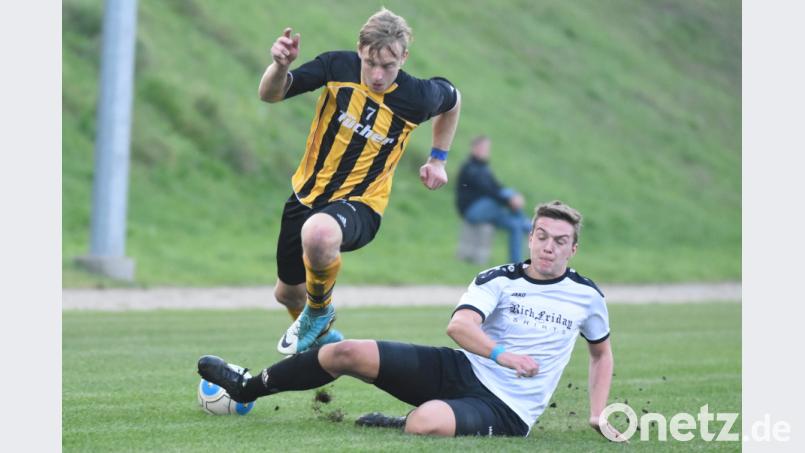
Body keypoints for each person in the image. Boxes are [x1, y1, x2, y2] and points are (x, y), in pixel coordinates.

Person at [198, 201, 626, 441]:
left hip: (507, 408)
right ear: (531, 238)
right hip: (461, 367)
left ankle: (399, 421)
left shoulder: (587, 297)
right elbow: (459, 327)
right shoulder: (500, 279)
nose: (550, 247)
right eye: (543, 237)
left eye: (561, 241)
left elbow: (601, 354)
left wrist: (597, 412)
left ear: (574, 249)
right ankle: (244, 389)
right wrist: (502, 354)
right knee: (345, 351)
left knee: (426, 423)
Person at [259, 8, 461, 354]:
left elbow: (452, 101)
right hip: (306, 195)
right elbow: (271, 94)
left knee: (319, 233)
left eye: (388, 65)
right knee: (287, 293)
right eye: (370, 63)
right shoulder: (337, 67)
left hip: (362, 204)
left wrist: (438, 159)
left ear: (404, 58)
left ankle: (319, 314)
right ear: (359, 51)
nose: (378, 75)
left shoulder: (417, 97)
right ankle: (320, 343)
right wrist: (280, 66)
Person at [456, 136, 532, 263]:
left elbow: (496, 187)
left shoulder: (485, 168)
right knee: (507, 194)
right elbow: (487, 190)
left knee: (515, 225)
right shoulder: (470, 167)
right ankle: (525, 222)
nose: (486, 151)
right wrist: (509, 200)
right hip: (472, 211)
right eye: (483, 148)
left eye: (487, 148)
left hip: (490, 210)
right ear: (474, 148)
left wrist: (511, 197)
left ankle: (516, 264)